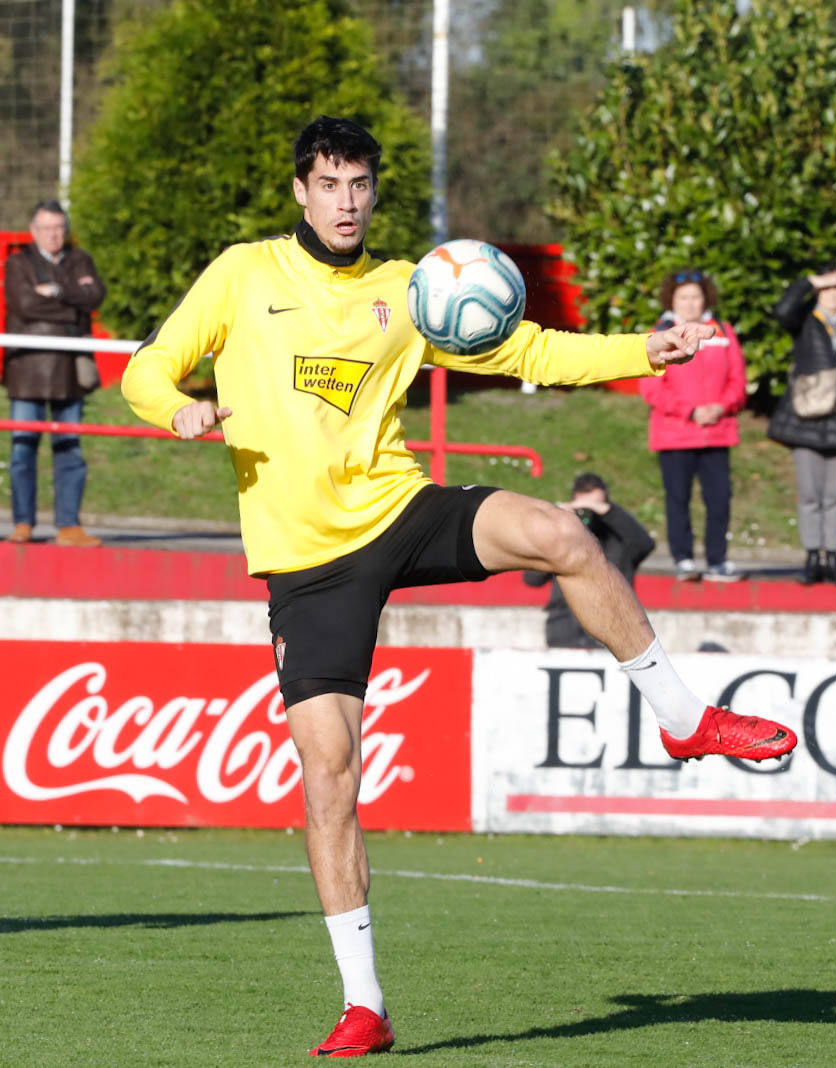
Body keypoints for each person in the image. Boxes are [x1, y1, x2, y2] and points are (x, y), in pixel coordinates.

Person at [121, 116, 797, 1058]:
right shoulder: (244, 274)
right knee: (329, 779)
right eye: (330, 184)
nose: (348, 202)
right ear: (299, 192)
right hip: (307, 565)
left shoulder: (413, 289)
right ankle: (365, 1005)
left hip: (399, 511)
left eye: (361, 184)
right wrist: (181, 409)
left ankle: (683, 715)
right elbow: (146, 369)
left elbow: (527, 351)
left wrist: (641, 352)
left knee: (562, 530)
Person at [3, 200, 106, 546]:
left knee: (70, 449)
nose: (53, 235)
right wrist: (73, 309)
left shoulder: (81, 259)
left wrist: (58, 293)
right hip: (26, 368)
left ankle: (69, 526)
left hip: (69, 370)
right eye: (46, 228)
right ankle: (22, 524)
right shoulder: (18, 263)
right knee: (22, 450)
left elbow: (95, 297)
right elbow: (24, 304)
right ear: (33, 231)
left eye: (59, 228)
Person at [639, 269, 747, 582]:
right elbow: (651, 387)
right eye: (683, 297)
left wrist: (720, 407)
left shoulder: (723, 332)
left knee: (719, 500)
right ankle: (683, 560)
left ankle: (717, 561)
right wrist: (690, 411)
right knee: (677, 499)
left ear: (706, 299)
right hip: (675, 434)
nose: (690, 303)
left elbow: (738, 381)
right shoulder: (658, 333)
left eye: (695, 296)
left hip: (717, 432)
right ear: (672, 300)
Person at [767, 264, 836, 586]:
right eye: (827, 288)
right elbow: (782, 310)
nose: (833, 294)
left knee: (835, 494)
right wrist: (809, 283)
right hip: (806, 420)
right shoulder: (806, 319)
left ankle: (833, 555)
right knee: (810, 493)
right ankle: (812, 555)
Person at [523, 472, 655, 647]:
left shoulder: (621, 542)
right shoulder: (563, 541)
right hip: (564, 630)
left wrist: (610, 512)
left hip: (613, 633)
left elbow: (644, 543)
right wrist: (557, 529)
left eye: (595, 507)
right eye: (583, 508)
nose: (590, 515)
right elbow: (532, 579)